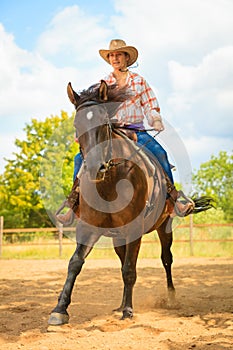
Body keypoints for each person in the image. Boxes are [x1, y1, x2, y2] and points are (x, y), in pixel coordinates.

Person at [56, 39, 194, 224]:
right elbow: (92, 113)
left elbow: (150, 104)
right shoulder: (103, 84)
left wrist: (155, 119)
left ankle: (173, 200)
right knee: (79, 159)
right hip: (111, 131)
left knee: (160, 153)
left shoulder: (139, 81)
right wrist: (83, 132)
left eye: (118, 55)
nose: (114, 58)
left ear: (127, 58)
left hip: (137, 130)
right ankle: (74, 205)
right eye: (111, 55)